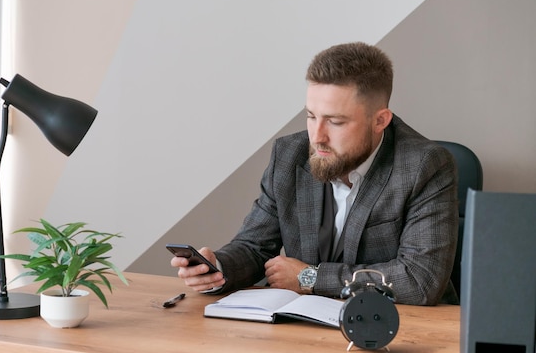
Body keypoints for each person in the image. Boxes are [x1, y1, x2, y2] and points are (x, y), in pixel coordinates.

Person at [170, 42, 459, 305]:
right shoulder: (288, 155)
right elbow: (254, 246)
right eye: (311, 116)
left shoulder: (425, 165)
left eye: (335, 121)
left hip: (398, 328)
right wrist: (217, 268)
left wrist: (311, 278)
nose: (317, 136)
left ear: (380, 120)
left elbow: (421, 280)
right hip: (306, 326)